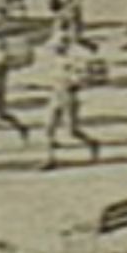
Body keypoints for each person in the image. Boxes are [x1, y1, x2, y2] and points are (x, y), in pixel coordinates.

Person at [42, 35, 101, 170]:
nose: (55, 50)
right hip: (55, 95)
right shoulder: (55, 62)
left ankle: (92, 143)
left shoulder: (73, 62)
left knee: (72, 131)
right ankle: (50, 158)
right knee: (48, 127)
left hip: (68, 96)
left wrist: (73, 82)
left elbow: (82, 78)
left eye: (57, 48)